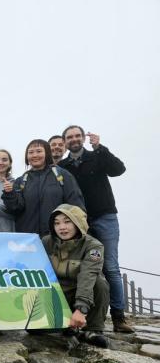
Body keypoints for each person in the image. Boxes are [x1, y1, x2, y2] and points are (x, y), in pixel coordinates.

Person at [59, 125, 132, 333]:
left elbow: (119, 170)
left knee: (110, 267)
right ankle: (83, 314)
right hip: (80, 222)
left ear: (83, 138)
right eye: (69, 137)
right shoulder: (63, 166)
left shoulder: (97, 156)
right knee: (85, 267)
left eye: (77, 136)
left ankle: (118, 317)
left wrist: (100, 147)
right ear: (65, 142)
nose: (73, 139)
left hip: (105, 216)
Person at [41, 204, 110, 348]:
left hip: (81, 294)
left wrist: (81, 309)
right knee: (35, 330)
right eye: (57, 223)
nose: (62, 227)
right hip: (58, 295)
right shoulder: (45, 242)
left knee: (99, 282)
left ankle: (93, 330)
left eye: (67, 221)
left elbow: (88, 275)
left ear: (78, 223)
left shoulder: (93, 246)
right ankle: (70, 327)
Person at [2, 139, 85, 236]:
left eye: (39, 151)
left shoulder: (63, 175)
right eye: (31, 152)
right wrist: (9, 193)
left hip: (58, 237)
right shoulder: (21, 180)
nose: (34, 155)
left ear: (47, 153)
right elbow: (15, 209)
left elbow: (76, 205)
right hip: (29, 239)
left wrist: (77, 232)